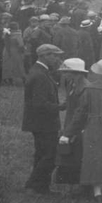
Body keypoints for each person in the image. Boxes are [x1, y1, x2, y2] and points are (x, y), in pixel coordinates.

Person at [59, 58, 102, 202]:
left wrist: (68, 132)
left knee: (93, 155)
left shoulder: (89, 89)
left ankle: (97, 192)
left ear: (97, 73)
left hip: (94, 125)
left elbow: (81, 112)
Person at [23, 44, 65, 194]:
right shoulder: (40, 75)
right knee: (50, 155)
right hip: (43, 122)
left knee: (42, 153)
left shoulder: (40, 71)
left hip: (39, 121)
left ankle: (41, 187)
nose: (57, 59)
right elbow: (40, 103)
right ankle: (32, 184)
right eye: (54, 55)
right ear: (44, 56)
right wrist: (59, 107)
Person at [54, 57, 89, 192]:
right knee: (69, 154)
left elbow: (82, 111)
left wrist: (69, 131)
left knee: (78, 154)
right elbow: (70, 101)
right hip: (71, 122)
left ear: (77, 73)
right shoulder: (71, 84)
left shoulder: (85, 88)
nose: (63, 75)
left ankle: (84, 187)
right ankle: (72, 185)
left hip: (80, 126)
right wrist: (60, 106)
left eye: (66, 72)